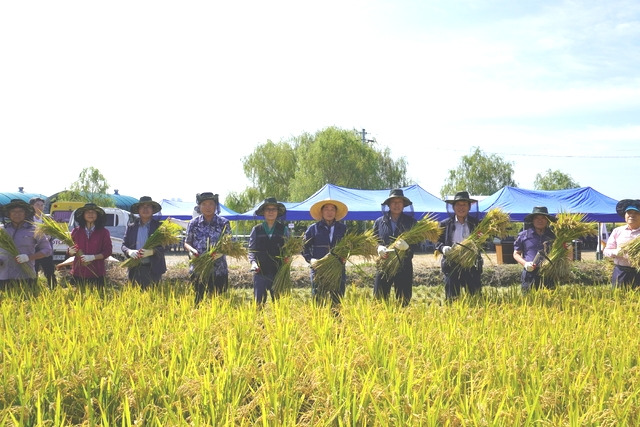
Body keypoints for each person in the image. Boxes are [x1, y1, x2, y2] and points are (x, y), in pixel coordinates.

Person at [184, 192, 231, 305]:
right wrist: (192, 251)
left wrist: (220, 252)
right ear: (199, 207)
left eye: (211, 204)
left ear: (216, 206)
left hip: (218, 269)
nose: (208, 207)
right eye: (204, 204)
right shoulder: (193, 223)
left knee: (218, 302)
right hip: (198, 269)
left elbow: (229, 244)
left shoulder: (223, 223)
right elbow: (187, 242)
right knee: (198, 301)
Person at [435, 191, 483, 300]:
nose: (461, 207)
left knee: (475, 297)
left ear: (469, 207)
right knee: (452, 298)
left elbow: (482, 240)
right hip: (452, 264)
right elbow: (437, 242)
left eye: (464, 204)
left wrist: (480, 240)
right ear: (453, 207)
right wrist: (443, 248)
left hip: (472, 265)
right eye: (458, 205)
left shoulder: (477, 224)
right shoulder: (445, 224)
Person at [373, 188, 417, 306]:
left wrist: (407, 247)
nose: (396, 205)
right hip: (384, 265)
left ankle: (402, 323)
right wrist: (378, 248)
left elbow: (417, 243)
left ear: (403, 205)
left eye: (399, 202)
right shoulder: (379, 222)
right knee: (379, 300)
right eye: (393, 202)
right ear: (388, 204)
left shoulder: (411, 223)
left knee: (403, 301)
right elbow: (372, 241)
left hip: (404, 265)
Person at [302, 198, 348, 304]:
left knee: (337, 300)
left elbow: (349, 247)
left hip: (337, 269)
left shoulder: (343, 229)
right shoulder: (313, 229)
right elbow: (303, 247)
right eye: (326, 209)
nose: (329, 212)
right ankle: (319, 319)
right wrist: (311, 260)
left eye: (332, 209)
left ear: (336, 212)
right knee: (318, 300)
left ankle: (337, 319)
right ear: (322, 212)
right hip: (319, 269)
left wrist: (345, 256)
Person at [0, 199, 52, 289]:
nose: (17, 214)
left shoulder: (35, 230)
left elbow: (47, 250)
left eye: (20, 211)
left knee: (27, 301)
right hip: (4, 275)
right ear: (8, 214)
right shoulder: (2, 230)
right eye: (13, 211)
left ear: (26, 213)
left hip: (26, 276)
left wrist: (29, 257)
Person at [248, 198, 288, 305]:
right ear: (263, 212)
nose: (271, 212)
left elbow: (289, 249)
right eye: (268, 209)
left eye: (274, 209)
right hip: (260, 271)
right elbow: (251, 250)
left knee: (279, 303)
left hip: (278, 271)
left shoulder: (283, 229)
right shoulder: (256, 230)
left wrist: (288, 257)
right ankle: (258, 321)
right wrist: (253, 263)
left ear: (277, 212)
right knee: (258, 303)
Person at [122, 196, 167, 289]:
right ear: (138, 210)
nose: (145, 209)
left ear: (152, 210)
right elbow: (124, 245)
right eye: (142, 206)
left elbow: (165, 246)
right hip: (135, 269)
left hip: (153, 269)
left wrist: (152, 251)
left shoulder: (159, 227)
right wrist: (129, 251)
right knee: (135, 298)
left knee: (153, 298)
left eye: (148, 206)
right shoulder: (131, 227)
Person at [68, 203, 113, 288]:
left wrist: (93, 257)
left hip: (97, 273)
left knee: (97, 300)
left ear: (97, 215)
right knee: (77, 299)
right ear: (83, 215)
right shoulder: (76, 231)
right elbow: (71, 250)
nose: (90, 214)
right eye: (87, 212)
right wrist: (70, 251)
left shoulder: (103, 232)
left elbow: (108, 251)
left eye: (93, 212)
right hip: (78, 272)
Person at [513, 206, 556, 293]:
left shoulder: (554, 236)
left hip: (549, 273)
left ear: (547, 220)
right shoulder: (523, 235)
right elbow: (516, 253)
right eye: (537, 218)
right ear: (532, 220)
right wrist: (525, 264)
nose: (540, 220)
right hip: (530, 273)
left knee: (550, 302)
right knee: (528, 302)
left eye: (543, 218)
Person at [603, 199, 640, 288]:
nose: (631, 215)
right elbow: (606, 251)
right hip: (621, 272)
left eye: (636, 213)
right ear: (625, 216)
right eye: (629, 212)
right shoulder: (617, 231)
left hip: (638, 272)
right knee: (619, 299)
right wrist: (616, 252)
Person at [29, 196, 58, 288]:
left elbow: (54, 232)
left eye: (42, 205)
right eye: (37, 205)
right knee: (33, 270)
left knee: (49, 270)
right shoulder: (28, 219)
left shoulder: (48, 219)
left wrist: (49, 236)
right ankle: (33, 289)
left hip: (46, 248)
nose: (40, 207)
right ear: (31, 206)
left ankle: (53, 289)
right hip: (32, 249)